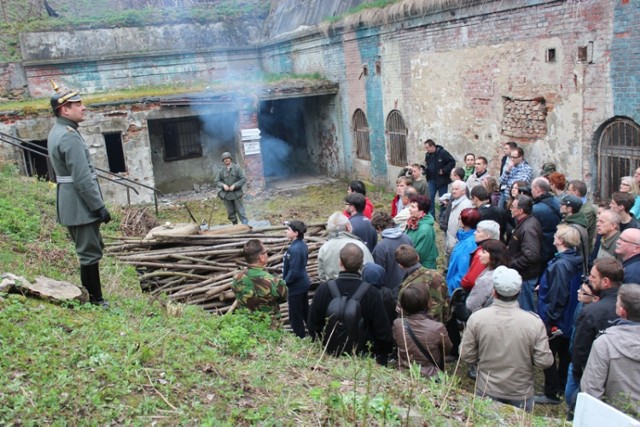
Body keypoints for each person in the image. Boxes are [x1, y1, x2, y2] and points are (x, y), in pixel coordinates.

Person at [47, 84, 111, 306]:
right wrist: (98, 207)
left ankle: (94, 297)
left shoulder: (59, 131)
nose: (83, 108)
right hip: (79, 205)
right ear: (64, 109)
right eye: (78, 105)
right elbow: (82, 178)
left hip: (72, 201)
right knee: (89, 254)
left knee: (90, 250)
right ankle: (96, 300)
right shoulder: (69, 137)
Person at [460, 266, 553, 412]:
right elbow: (544, 361)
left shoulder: (477, 318)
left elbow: (466, 355)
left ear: (494, 292)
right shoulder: (534, 322)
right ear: (519, 291)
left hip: (487, 388)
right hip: (520, 391)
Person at [307, 243, 394, 362]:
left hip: (329, 354)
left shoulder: (324, 289)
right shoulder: (371, 292)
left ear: (340, 262)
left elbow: (312, 324)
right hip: (361, 356)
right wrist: (382, 354)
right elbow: (382, 330)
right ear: (362, 263)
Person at [534, 224, 583, 405]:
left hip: (557, 319)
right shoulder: (573, 259)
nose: (553, 237)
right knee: (564, 354)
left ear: (560, 240)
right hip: (568, 318)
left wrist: (550, 320)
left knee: (547, 354)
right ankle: (562, 385)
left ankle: (551, 393)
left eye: (556, 235)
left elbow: (559, 293)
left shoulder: (561, 264)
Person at [569, 258, 623, 412]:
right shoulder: (631, 302)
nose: (588, 280)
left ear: (605, 281)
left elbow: (579, 350)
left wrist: (578, 375)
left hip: (592, 376)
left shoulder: (592, 311)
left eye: (593, 277)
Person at [581, 283, 640, 416]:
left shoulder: (605, 344)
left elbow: (591, 391)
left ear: (621, 311)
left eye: (617, 302)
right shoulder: (605, 343)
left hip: (615, 418)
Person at [393, 282, 452, 378]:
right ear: (428, 303)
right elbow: (447, 350)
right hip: (430, 376)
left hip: (405, 374)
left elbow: (397, 343)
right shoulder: (437, 328)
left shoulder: (397, 324)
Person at [231, 239, 288, 323]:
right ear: (261, 257)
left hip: (246, 324)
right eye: (266, 252)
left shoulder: (236, 277)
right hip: (270, 327)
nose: (267, 254)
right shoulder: (274, 281)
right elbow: (283, 298)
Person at [507, 195, 543, 311]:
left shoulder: (528, 227)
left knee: (526, 309)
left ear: (521, 210)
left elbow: (531, 256)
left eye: (513, 207)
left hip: (526, 277)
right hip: (523, 275)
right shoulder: (525, 223)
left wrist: (512, 263)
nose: (510, 209)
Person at [395, 244, 448, 324]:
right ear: (418, 257)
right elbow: (447, 299)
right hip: (440, 324)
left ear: (401, 266)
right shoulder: (437, 275)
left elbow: (402, 316)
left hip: (419, 329)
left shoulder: (406, 289)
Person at [317, 212, 374, 282]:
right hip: (358, 289)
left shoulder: (324, 248)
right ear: (348, 227)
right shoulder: (359, 246)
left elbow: (322, 275)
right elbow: (370, 271)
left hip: (332, 290)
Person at [371, 211, 413, 297]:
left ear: (379, 228)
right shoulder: (407, 238)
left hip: (392, 293)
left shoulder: (381, 247)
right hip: (410, 287)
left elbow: (379, 274)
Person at [465, 239, 511, 313]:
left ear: (494, 256)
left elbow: (471, 305)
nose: (479, 254)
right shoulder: (507, 272)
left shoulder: (486, 280)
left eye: (484, 252)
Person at [283, 220, 311, 338]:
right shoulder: (300, 244)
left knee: (295, 315)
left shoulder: (296, 249)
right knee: (305, 311)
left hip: (296, 286)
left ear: (295, 233)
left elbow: (294, 271)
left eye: (288, 229)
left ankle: (300, 337)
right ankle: (314, 332)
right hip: (302, 284)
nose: (286, 231)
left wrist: (284, 282)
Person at [446, 208, 481, 295]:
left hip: (456, 290)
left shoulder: (469, 244)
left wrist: (451, 285)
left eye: (459, 217)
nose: (458, 219)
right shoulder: (463, 237)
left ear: (463, 222)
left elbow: (463, 273)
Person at [460, 220, 501, 292]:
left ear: (487, 236)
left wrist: (463, 283)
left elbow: (471, 280)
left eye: (478, 232)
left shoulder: (482, 253)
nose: (474, 233)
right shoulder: (498, 248)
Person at [531, 177, 563, 265]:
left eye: (532, 189)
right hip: (557, 245)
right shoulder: (558, 202)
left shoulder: (535, 209)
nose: (531, 191)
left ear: (537, 189)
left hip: (543, 249)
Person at [404, 195, 438, 270]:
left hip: (423, 269)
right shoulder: (413, 222)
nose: (409, 209)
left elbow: (420, 254)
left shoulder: (425, 229)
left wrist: (404, 260)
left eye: (413, 207)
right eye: (410, 206)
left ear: (421, 211)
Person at [442, 180, 473, 262]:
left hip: (457, 240)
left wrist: (457, 239)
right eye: (453, 189)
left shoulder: (466, 205)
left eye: (456, 189)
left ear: (463, 191)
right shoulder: (454, 201)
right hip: (451, 237)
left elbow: (464, 224)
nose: (454, 191)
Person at [423, 139, 455, 217]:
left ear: (432, 146)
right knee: (430, 197)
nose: (426, 149)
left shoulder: (443, 153)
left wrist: (444, 170)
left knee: (443, 199)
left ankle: (442, 216)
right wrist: (424, 170)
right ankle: (431, 216)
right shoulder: (427, 155)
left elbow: (452, 162)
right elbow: (427, 165)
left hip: (442, 180)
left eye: (427, 148)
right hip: (431, 179)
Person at [215, 152, 248, 225]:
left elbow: (243, 179)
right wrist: (223, 185)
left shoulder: (237, 168)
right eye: (224, 159)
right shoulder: (221, 170)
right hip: (227, 195)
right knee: (230, 213)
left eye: (228, 158)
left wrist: (235, 185)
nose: (226, 160)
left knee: (241, 211)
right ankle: (235, 225)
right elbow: (217, 181)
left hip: (236, 194)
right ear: (223, 161)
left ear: (230, 159)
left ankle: (246, 225)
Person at [567, 180, 598, 251]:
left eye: (569, 190)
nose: (567, 193)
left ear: (575, 193)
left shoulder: (587, 210)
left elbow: (575, 231)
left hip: (582, 250)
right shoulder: (576, 205)